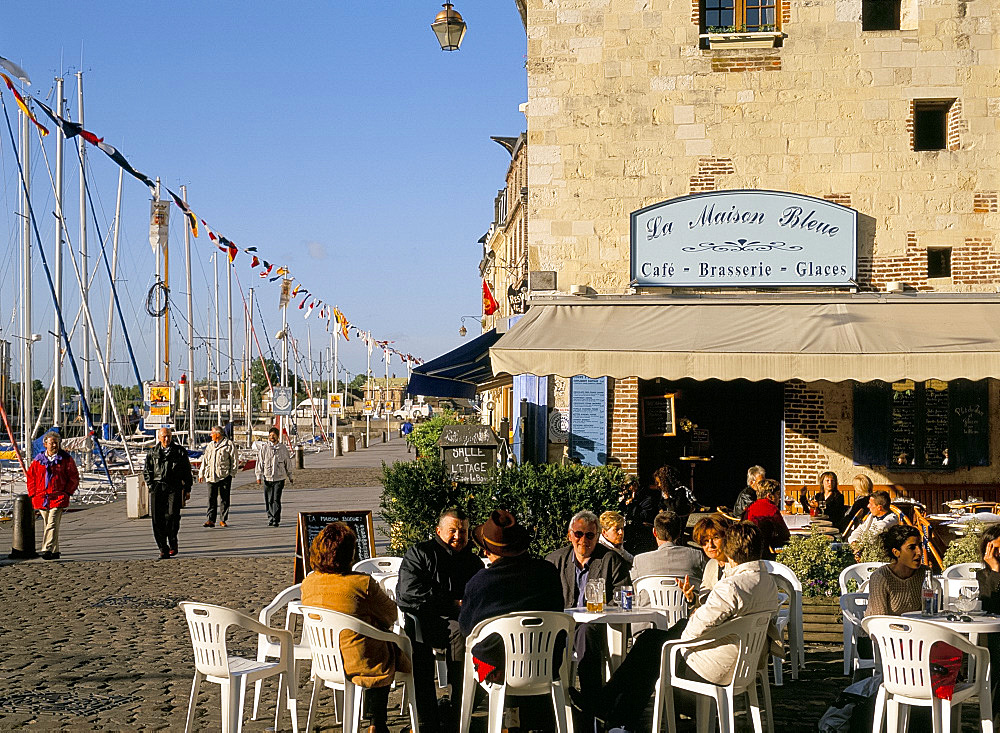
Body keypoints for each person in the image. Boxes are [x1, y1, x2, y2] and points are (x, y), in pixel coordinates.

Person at [571, 522, 779, 732]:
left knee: (652, 649)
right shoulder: (767, 582)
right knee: (653, 642)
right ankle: (616, 715)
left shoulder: (732, 586)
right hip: (743, 662)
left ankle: (611, 710)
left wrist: (680, 633)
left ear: (730, 549)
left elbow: (694, 630)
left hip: (715, 667)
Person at [460, 509, 566, 730]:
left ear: (487, 550)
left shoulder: (480, 583)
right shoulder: (548, 572)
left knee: (483, 651)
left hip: (500, 671)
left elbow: (466, 629)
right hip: (547, 666)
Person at [300, 522, 410, 733]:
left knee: (377, 642)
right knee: (385, 647)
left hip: (327, 659)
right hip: (360, 661)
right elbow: (390, 615)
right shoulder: (361, 583)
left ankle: (374, 722)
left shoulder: (309, 582)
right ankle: (377, 722)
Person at [396, 508, 484, 733]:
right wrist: (450, 604)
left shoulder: (473, 562)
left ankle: (458, 711)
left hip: (461, 622)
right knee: (423, 644)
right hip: (424, 618)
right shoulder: (419, 553)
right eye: (453, 530)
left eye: (463, 531)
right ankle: (428, 717)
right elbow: (407, 593)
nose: (458, 536)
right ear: (438, 530)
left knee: (472, 640)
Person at [546, 510, 630, 703]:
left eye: (590, 535)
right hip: (561, 626)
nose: (584, 540)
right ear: (570, 535)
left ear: (598, 536)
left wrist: (605, 609)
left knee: (586, 632)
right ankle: (554, 703)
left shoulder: (611, 561)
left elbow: (623, 595)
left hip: (595, 625)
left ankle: (592, 701)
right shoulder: (554, 561)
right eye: (579, 534)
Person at [26, 430, 79, 560]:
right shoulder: (38, 460)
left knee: (52, 523)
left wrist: (67, 492)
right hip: (41, 497)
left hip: (58, 496)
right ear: (45, 444)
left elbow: (73, 476)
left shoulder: (66, 459)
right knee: (48, 524)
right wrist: (32, 494)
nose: (54, 446)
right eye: (52, 443)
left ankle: (46, 549)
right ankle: (55, 551)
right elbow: (31, 478)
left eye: (56, 443)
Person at [143, 427, 193, 560]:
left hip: (174, 486)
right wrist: (151, 485)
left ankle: (172, 540)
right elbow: (147, 471)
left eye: (169, 436)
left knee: (172, 515)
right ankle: (162, 548)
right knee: (157, 519)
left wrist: (187, 489)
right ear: (159, 438)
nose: (167, 439)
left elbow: (187, 471)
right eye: (164, 436)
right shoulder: (152, 452)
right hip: (157, 487)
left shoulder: (179, 451)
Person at [864, 524, 925, 617]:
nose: (919, 552)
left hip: (916, 628)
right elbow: (880, 621)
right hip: (883, 629)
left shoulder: (924, 574)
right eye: (912, 547)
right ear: (896, 552)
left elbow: (929, 612)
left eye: (920, 546)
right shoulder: (881, 578)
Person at [630, 510, 705, 584]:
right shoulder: (696, 556)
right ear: (679, 533)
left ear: (654, 532)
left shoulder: (640, 560)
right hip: (687, 596)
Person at [198, 425, 238, 528]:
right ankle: (211, 519)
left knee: (224, 498)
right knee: (211, 498)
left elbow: (234, 460)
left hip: (224, 475)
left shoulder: (228, 445)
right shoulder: (210, 445)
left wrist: (232, 473)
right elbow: (205, 460)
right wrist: (201, 473)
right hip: (211, 475)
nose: (210, 435)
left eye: (212, 433)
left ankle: (223, 519)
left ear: (218, 434)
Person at [690, 514, 735, 600]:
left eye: (715, 538)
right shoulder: (711, 564)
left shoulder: (735, 564)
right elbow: (705, 599)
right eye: (705, 541)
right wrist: (692, 598)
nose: (710, 545)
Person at [255, 427, 293, 527]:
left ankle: (276, 518)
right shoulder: (264, 448)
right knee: (269, 499)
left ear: (277, 436)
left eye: (273, 435)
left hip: (279, 477)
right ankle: (270, 517)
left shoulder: (283, 448)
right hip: (267, 477)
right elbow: (260, 462)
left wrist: (290, 475)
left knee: (276, 499)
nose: (271, 437)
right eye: (270, 435)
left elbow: (287, 462)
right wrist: (258, 476)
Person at [743, 479, 790, 557]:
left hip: (747, 550)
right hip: (763, 553)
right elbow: (784, 534)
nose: (779, 498)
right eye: (777, 494)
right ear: (769, 496)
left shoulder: (750, 507)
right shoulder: (772, 509)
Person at [619, 474, 660, 556]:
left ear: (635, 485)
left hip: (643, 531)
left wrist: (633, 503)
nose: (627, 489)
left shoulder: (646, 497)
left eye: (628, 486)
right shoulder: (627, 497)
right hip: (629, 530)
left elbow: (643, 516)